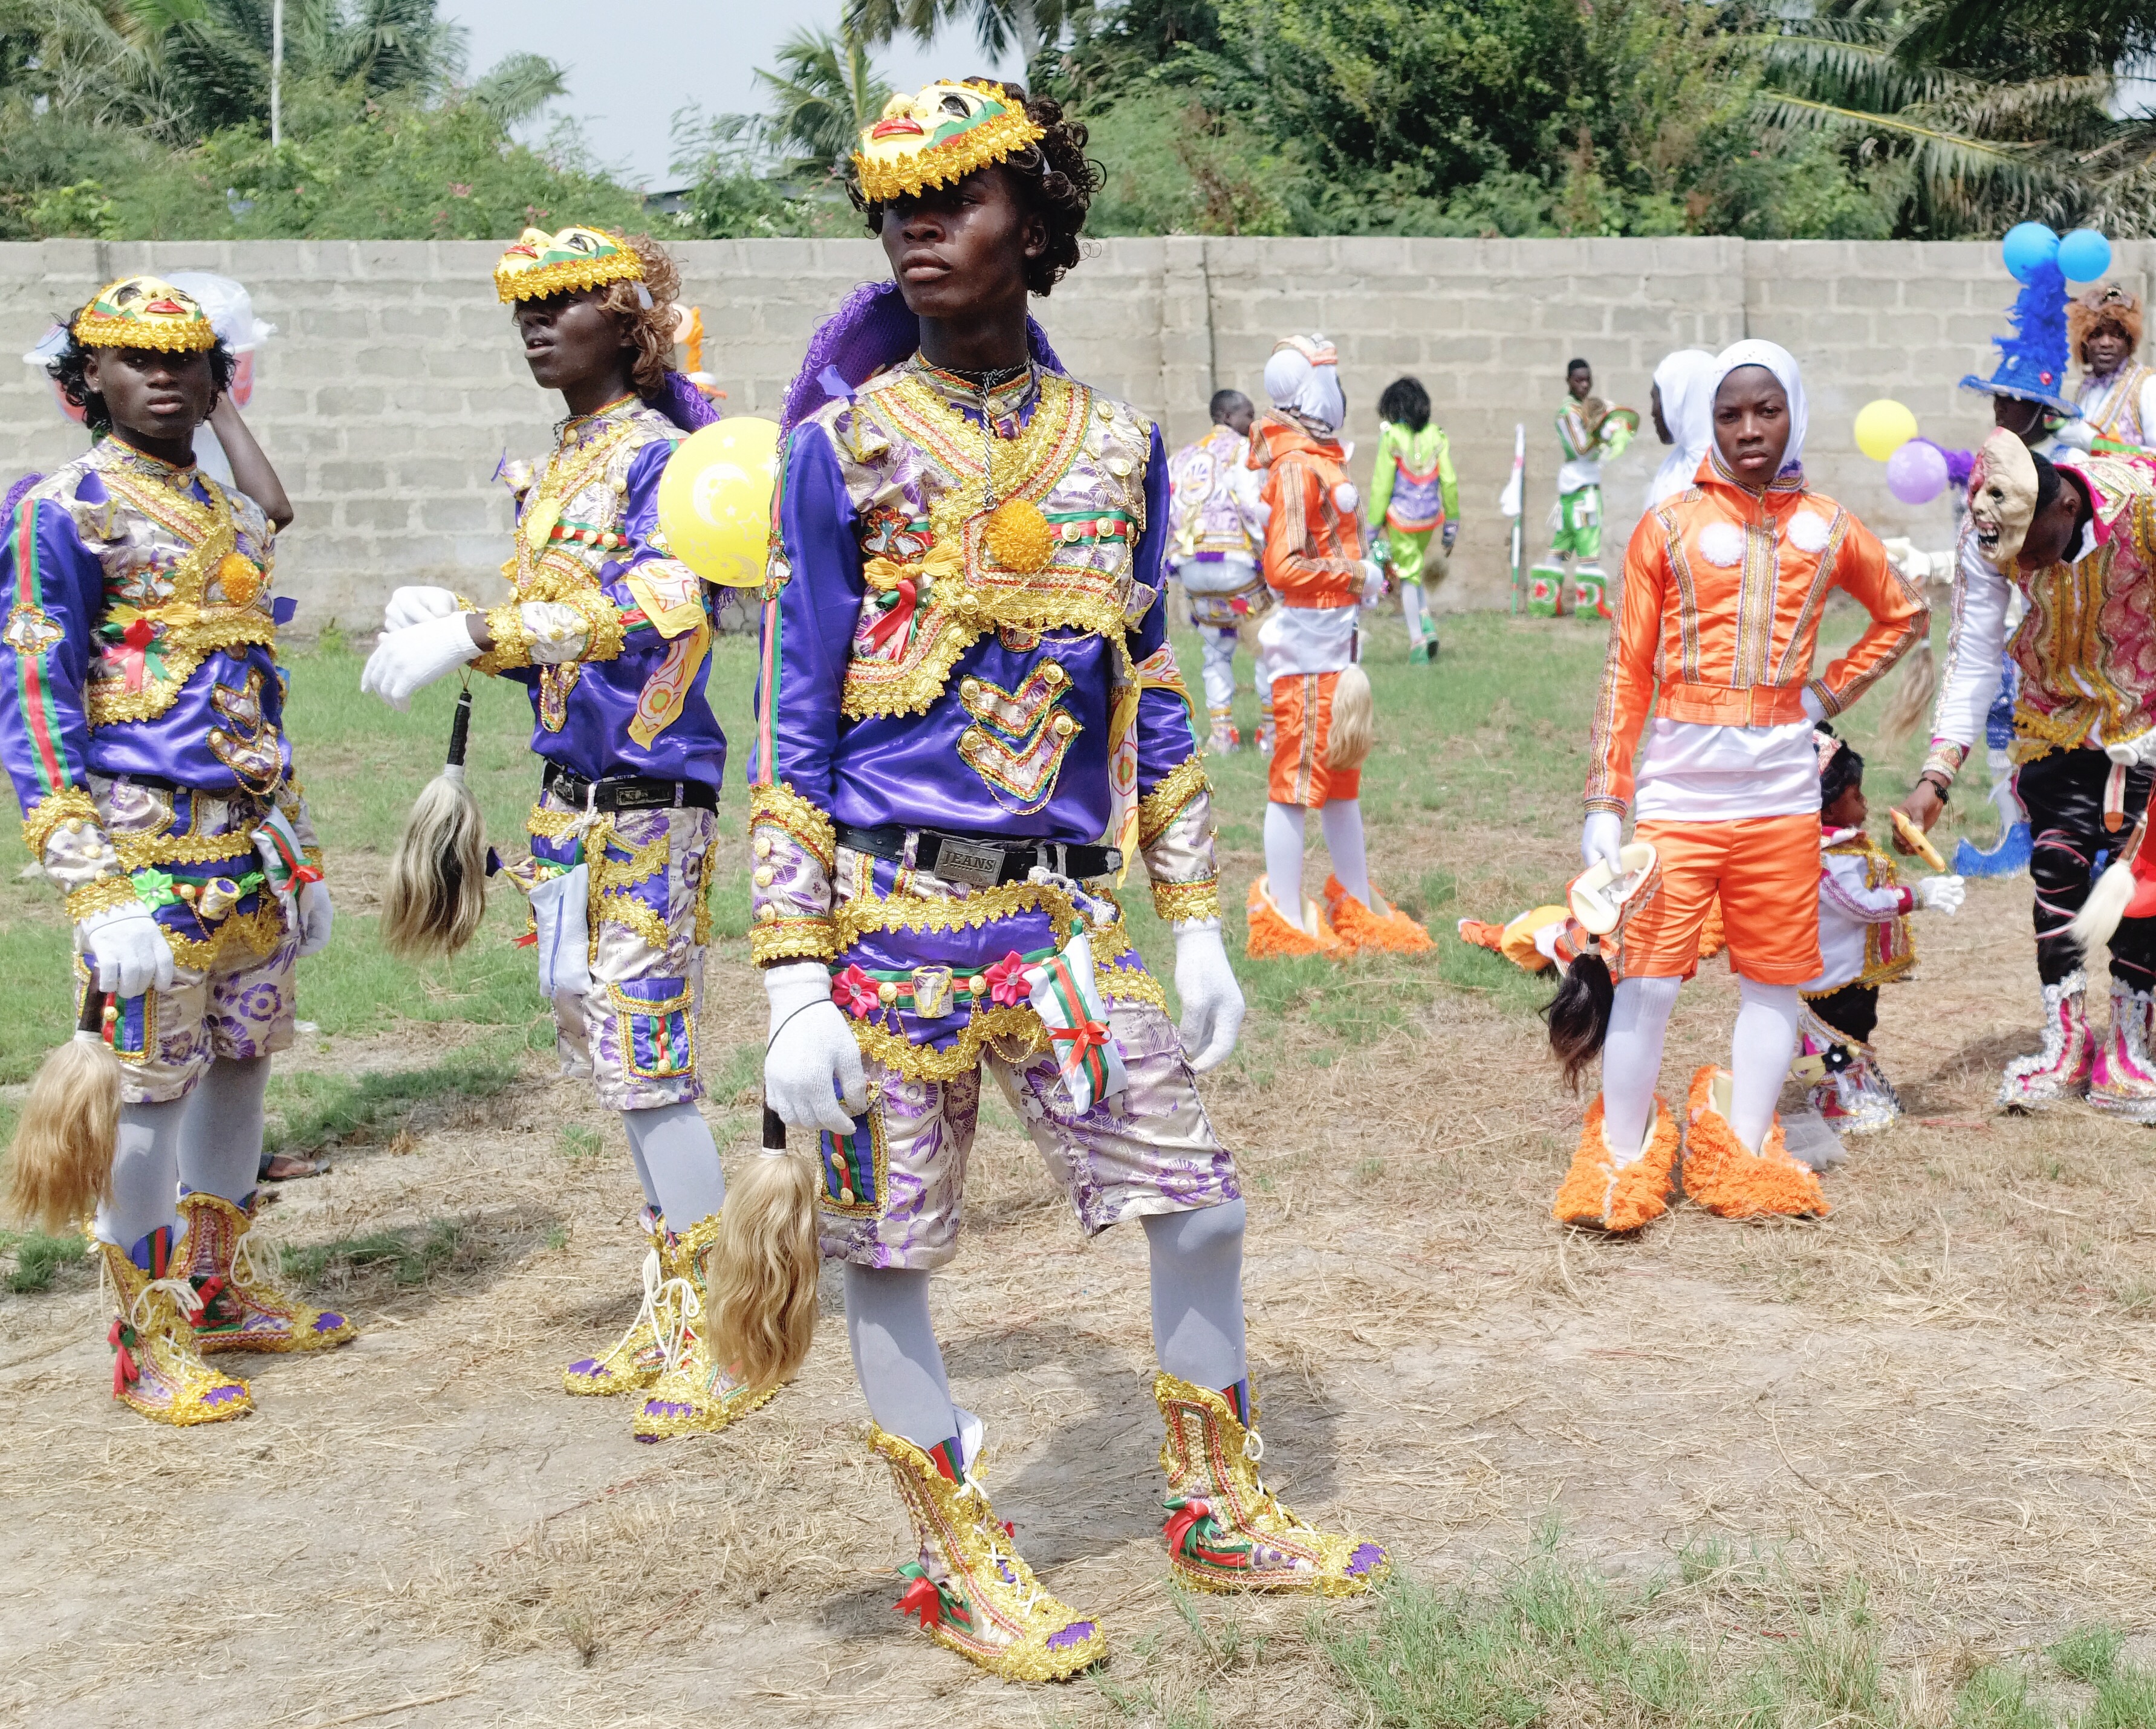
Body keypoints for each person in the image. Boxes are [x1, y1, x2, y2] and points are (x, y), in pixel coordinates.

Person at [743, 77, 1387, 1683]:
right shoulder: (837, 452)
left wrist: (1196, 918)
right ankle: (956, 1553)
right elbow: (795, 712)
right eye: (892, 206)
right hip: (887, 927)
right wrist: (784, 973)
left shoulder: (1119, 445)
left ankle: (1211, 1504)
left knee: (1200, 1198)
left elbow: (1149, 690)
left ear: (1030, 224)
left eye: (951, 201)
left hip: (1059, 934)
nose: (914, 230)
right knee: (888, 1247)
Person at [358, 227, 759, 1442]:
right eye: (525, 308)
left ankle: (719, 1327)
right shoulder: (567, 458)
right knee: (603, 1045)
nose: (538, 325)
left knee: (648, 1057)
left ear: (630, 325)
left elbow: (663, 597)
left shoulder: (660, 458)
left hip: (647, 796)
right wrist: (458, 605)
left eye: (566, 305)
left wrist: (479, 628)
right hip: (568, 798)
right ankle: (671, 1292)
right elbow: (551, 604)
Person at [0, 276, 348, 1424]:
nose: (164, 376)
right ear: (87, 378)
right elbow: (36, 703)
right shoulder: (64, 507)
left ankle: (216, 1285)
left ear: (214, 377)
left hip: (247, 846)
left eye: (187, 359)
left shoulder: (232, 514)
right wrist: (92, 886)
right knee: (147, 1095)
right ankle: (144, 1335)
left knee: (243, 1065)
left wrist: (296, 852)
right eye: (134, 359)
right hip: (142, 850)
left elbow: (254, 693)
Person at [1555, 339, 1926, 1233]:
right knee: (1647, 979)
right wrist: (1607, 805)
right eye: (1729, 414)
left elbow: (1902, 613)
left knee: (1769, 982)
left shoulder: (1829, 527)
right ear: (1704, 423)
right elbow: (1624, 672)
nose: (1750, 428)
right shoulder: (1668, 527)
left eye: (1767, 410)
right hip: (1678, 801)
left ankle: (1746, 1145)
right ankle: (1621, 1151)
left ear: (1793, 411)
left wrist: (1820, 695)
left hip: (1780, 803)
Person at [1898, 430, 2156, 1118]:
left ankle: (2129, 1047)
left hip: (2146, 720)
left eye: (2036, 552)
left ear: (2066, 505)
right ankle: (2065, 1041)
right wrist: (1936, 773)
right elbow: (1975, 653)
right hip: (2052, 723)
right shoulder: (1989, 529)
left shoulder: (2144, 505)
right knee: (2056, 869)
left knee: (2143, 886)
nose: (2027, 571)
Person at [1244, 336, 1432, 958]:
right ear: (1305, 390)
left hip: (1337, 652)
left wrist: (1362, 579)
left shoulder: (1319, 457)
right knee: (1295, 787)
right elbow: (1284, 566)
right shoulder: (1298, 465)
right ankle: (1283, 916)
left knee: (1342, 783)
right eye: (1329, 378)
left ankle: (1353, 900)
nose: (1340, 391)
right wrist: (1358, 576)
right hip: (1304, 656)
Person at [1796, 727, 1963, 1134]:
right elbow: (1859, 904)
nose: (1865, 803)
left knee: (1857, 1026)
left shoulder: (1840, 846)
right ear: (1828, 809)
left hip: (1853, 968)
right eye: (1856, 796)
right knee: (1842, 1030)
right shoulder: (1826, 858)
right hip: (1835, 974)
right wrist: (1917, 896)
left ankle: (1850, 1082)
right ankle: (1832, 1093)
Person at [1166, 388, 1270, 751]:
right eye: (1248, 415)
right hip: (1237, 571)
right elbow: (1253, 507)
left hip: (1194, 573)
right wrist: (1269, 550)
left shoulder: (1182, 457)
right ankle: (1270, 735)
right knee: (1265, 643)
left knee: (1216, 651)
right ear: (1227, 417)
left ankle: (1222, 735)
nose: (1253, 422)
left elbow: (1168, 512)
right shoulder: (1245, 452)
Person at [1528, 357, 1636, 620]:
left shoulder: (1581, 408)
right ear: (1568, 381)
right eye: (1578, 380)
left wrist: (1610, 428)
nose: (1584, 385)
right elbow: (1580, 448)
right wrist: (1604, 432)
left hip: (1574, 487)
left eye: (1588, 379)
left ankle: (1545, 601)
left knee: (1562, 544)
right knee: (1589, 540)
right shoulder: (1568, 412)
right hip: (1582, 488)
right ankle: (1591, 605)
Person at [1368, 375, 1458, 663]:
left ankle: (1417, 640)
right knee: (1414, 569)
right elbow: (1450, 481)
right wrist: (1452, 523)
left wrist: (1371, 528)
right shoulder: (1438, 435)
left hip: (1401, 520)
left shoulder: (1391, 437)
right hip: (1430, 519)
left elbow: (1381, 485)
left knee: (1407, 576)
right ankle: (1426, 626)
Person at [2065, 284, 2156, 452]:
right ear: (2083, 343)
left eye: (2117, 335)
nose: (2106, 343)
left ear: (2129, 342)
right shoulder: (2086, 388)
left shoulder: (2148, 385)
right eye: (2096, 334)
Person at [1645, 349, 1715, 509]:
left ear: (1679, 400)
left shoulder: (1727, 476)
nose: (1653, 412)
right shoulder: (1674, 469)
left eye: (1656, 398)